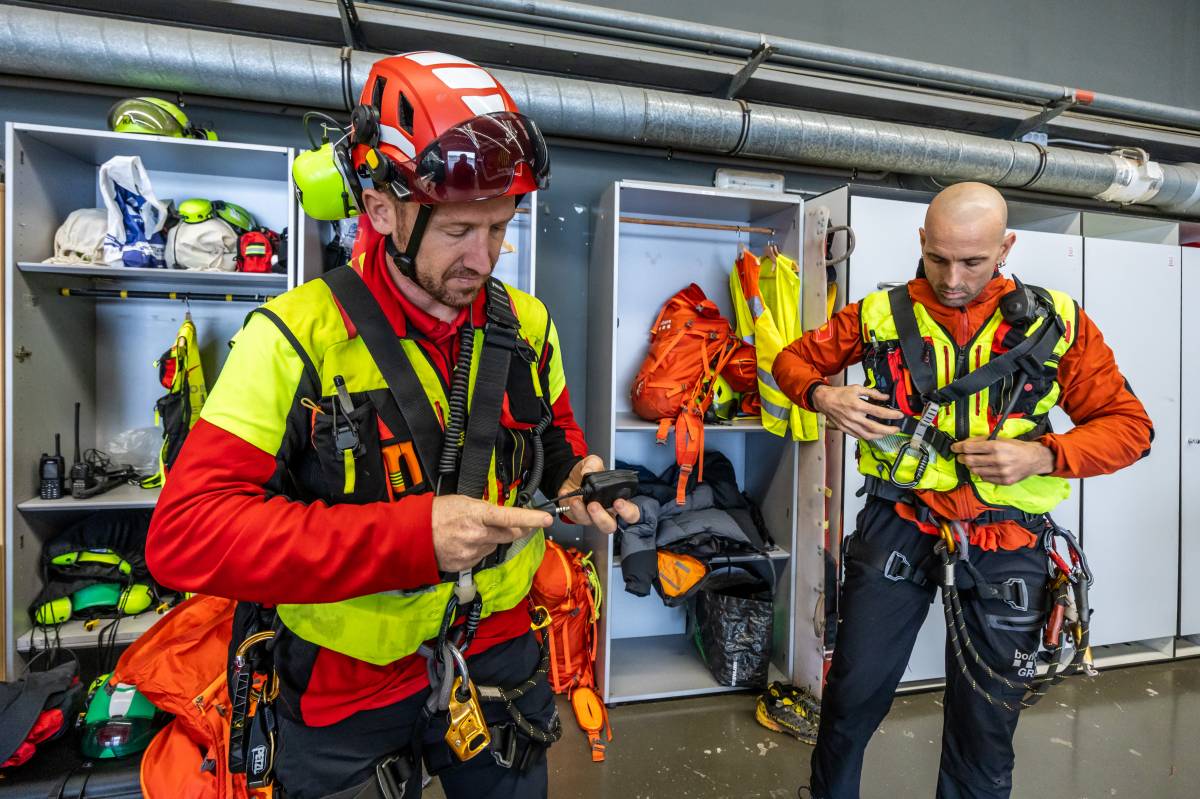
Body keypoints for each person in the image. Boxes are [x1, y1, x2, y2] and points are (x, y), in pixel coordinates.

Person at [146, 52, 636, 799]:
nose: (486, 258)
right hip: (346, 687)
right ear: (383, 209)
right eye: (462, 230)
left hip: (497, 653)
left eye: (501, 227)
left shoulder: (525, 324)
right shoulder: (292, 338)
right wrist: (411, 538)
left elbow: (554, 437)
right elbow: (187, 535)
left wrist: (572, 476)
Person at [773, 182, 1153, 799]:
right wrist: (824, 394)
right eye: (938, 258)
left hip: (1006, 540)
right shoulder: (876, 316)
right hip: (899, 525)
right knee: (850, 699)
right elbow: (792, 363)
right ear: (921, 241)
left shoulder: (1059, 325)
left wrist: (1043, 453)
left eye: (973, 261)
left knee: (986, 724)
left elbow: (1132, 429)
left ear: (1006, 246)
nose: (952, 278)